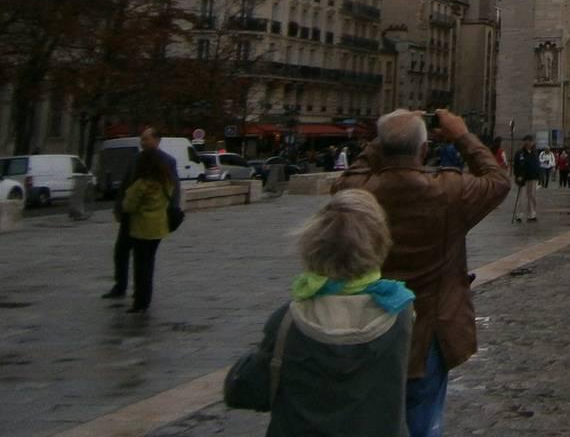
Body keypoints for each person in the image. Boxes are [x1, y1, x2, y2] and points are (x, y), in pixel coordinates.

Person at [336, 108, 510, 437]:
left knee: (370, 418)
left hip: (368, 328)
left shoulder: (358, 194)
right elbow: (498, 180)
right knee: (421, 420)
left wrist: (384, 140)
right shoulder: (447, 192)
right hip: (426, 332)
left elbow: (348, 177)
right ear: (425, 149)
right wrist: (461, 135)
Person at [224, 190, 415, 436]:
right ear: (379, 244)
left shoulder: (287, 320)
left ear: (311, 245)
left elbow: (246, 391)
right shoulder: (400, 313)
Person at [104, 126, 179, 302]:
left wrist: (173, 210)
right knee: (121, 251)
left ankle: (142, 296)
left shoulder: (167, 161)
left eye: (146, 139)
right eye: (142, 138)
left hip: (147, 217)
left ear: (157, 140)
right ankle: (120, 285)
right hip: (131, 215)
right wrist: (118, 208)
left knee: (143, 259)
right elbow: (125, 185)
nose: (142, 142)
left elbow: (174, 188)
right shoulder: (136, 159)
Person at [119, 146, 176, 313]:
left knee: (140, 264)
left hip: (142, 227)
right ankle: (146, 298)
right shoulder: (166, 182)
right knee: (149, 263)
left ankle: (140, 300)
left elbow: (128, 206)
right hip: (159, 227)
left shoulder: (142, 184)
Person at [511, 135, 539, 223]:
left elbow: (536, 164)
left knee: (532, 196)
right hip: (522, 178)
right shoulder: (520, 153)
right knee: (521, 197)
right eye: (526, 141)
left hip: (533, 177)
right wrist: (517, 175)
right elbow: (516, 165)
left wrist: (539, 176)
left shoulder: (534, 152)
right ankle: (519, 215)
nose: (528, 143)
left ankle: (532, 215)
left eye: (530, 141)